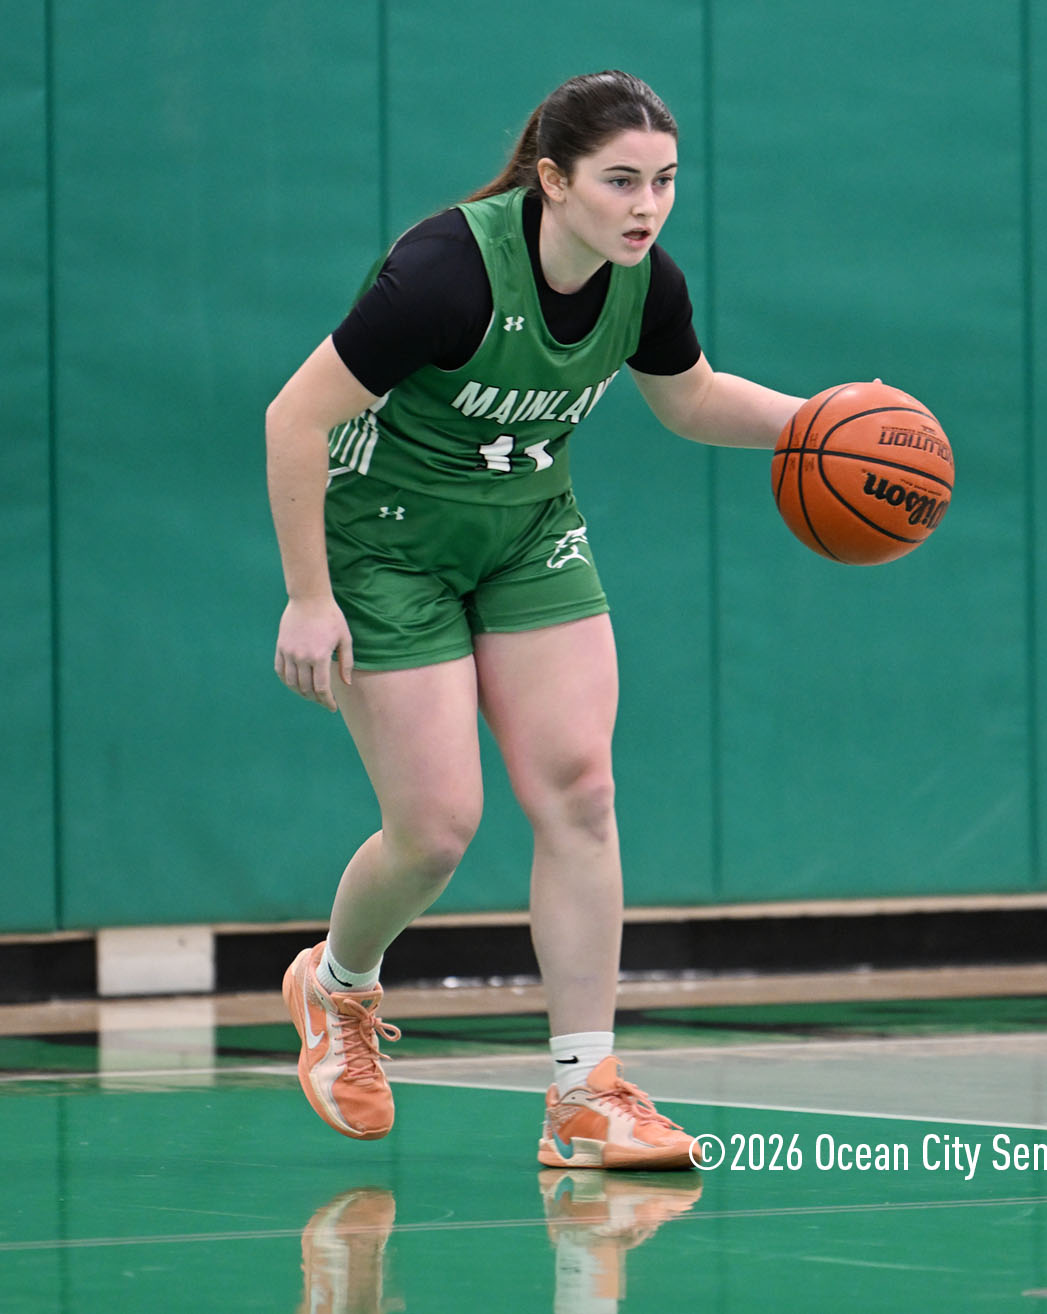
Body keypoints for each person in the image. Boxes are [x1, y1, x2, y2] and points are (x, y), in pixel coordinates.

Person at [266, 70, 806, 1169]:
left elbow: (690, 397)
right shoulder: (443, 272)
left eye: (663, 181)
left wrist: (820, 422)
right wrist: (310, 597)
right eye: (621, 181)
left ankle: (582, 1095)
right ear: (553, 180)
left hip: (526, 536)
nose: (646, 206)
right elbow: (295, 417)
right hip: (387, 546)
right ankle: (336, 985)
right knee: (435, 832)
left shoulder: (644, 284)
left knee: (582, 792)